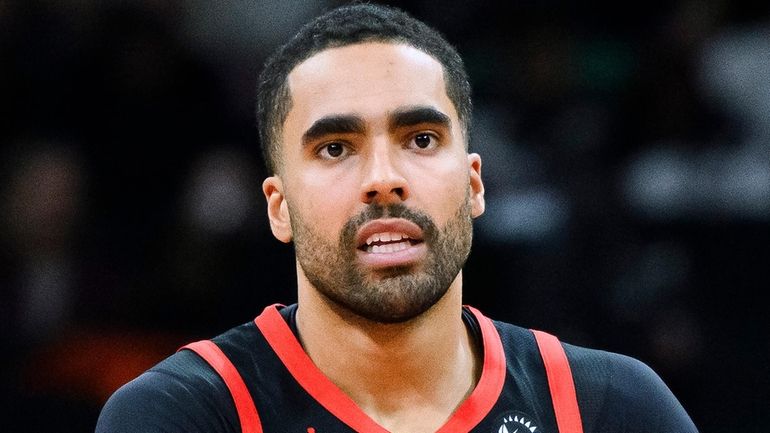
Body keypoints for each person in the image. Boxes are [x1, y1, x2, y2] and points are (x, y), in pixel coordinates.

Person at [95, 3, 698, 432]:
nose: (384, 177)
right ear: (278, 207)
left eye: (421, 138)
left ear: (473, 183)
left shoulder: (612, 407)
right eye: (335, 148)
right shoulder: (185, 413)